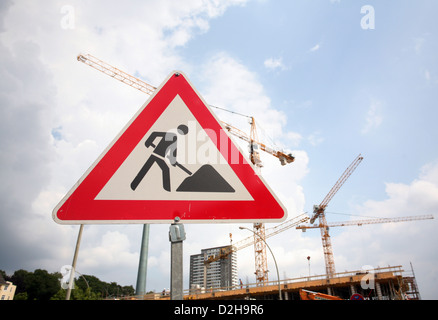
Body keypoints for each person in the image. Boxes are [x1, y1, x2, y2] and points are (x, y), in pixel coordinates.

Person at [131, 124, 188, 192]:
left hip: (157, 155)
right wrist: (148, 143)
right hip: (157, 155)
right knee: (164, 169)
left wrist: (173, 161)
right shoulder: (172, 135)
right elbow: (155, 133)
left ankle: (133, 185)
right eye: (183, 132)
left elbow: (173, 150)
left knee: (146, 169)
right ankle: (167, 190)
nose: (183, 134)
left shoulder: (173, 136)